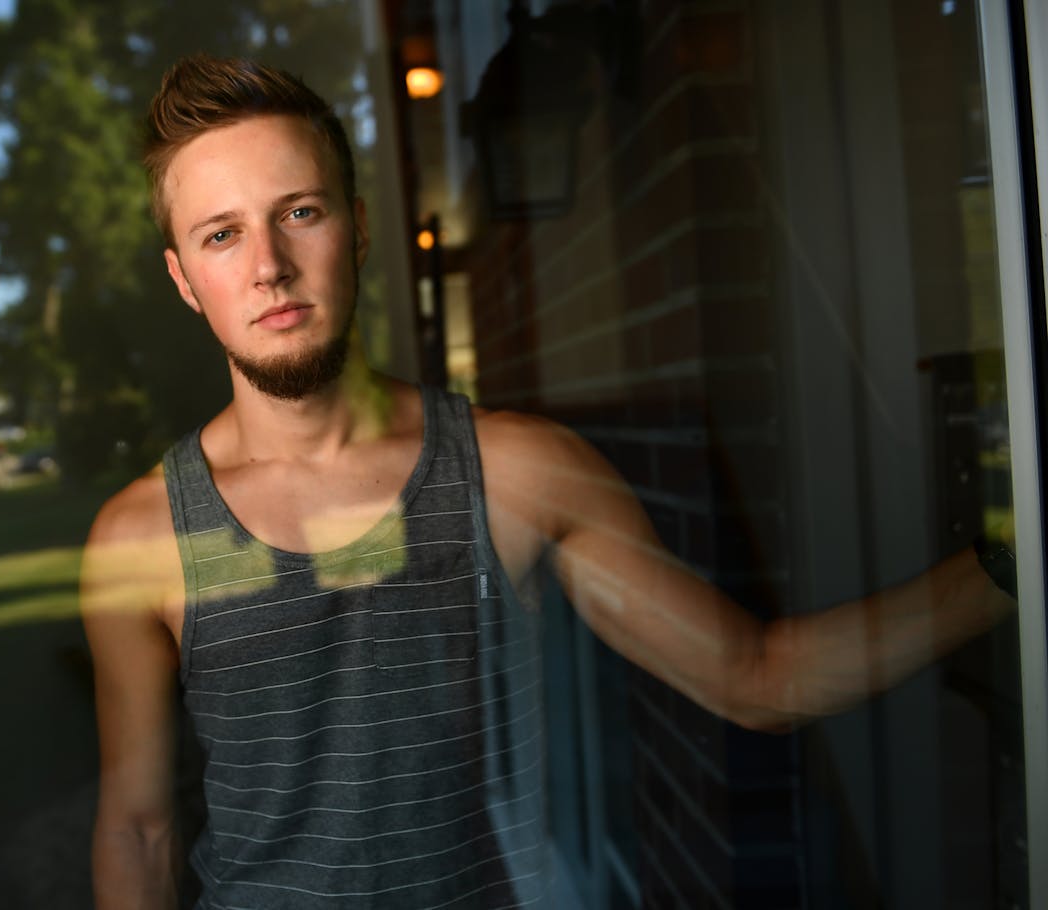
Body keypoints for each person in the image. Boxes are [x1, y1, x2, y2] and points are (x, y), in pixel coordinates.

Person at [79, 54, 1018, 909]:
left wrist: (1014, 564)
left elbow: (756, 677)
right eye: (221, 235)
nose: (269, 268)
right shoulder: (142, 539)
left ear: (358, 227)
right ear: (183, 279)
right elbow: (139, 830)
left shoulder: (516, 473)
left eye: (300, 211)